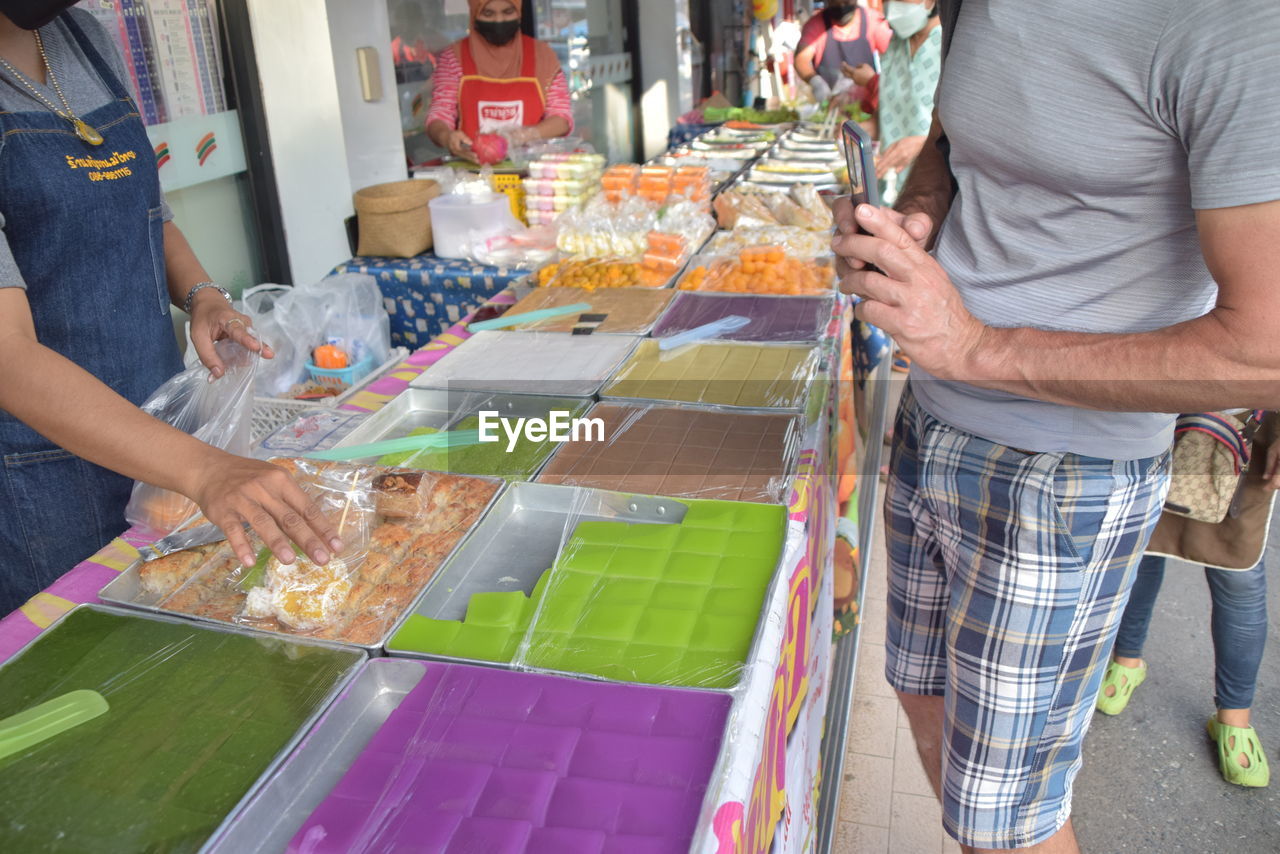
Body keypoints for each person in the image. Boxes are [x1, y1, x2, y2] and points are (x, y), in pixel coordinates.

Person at [832, 0, 1280, 850]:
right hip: (932, 424)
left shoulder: (1235, 23)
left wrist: (972, 343)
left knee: (1008, 821)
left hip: (1067, 473)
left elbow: (1265, 349)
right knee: (926, 705)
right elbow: (951, 142)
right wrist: (919, 222)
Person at [0, 3, 340, 615]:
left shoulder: (83, 36)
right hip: (42, 474)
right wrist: (208, 471)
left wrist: (202, 295)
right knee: (92, 662)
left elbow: (146, 212)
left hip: (162, 436)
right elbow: (7, 357)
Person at [1098, 417, 1280, 789]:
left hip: (1234, 428)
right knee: (1147, 547)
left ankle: (1233, 722)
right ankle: (1127, 662)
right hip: (1172, 419)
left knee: (1234, 569)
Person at [425, 0, 573, 163]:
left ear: (519, 12)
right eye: (488, 13)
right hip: (473, 175)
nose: (499, 20)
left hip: (533, 174)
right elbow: (439, 114)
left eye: (508, 12)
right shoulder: (453, 58)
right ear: (474, 13)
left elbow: (562, 118)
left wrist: (524, 135)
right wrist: (447, 137)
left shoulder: (543, 57)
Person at [871, 0, 941, 204]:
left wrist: (924, 143)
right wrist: (857, 130)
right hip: (888, 186)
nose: (892, 6)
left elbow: (974, 131)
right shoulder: (894, 46)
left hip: (934, 193)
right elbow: (882, 118)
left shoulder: (952, 49)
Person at [794, 1, 891, 105]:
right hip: (831, 104)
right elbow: (801, 59)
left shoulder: (873, 20)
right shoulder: (816, 24)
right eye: (835, 2)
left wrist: (876, 82)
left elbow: (893, 57)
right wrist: (815, 82)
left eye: (846, 1)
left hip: (866, 106)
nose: (841, 6)